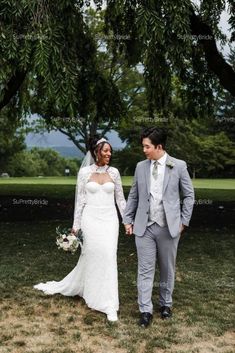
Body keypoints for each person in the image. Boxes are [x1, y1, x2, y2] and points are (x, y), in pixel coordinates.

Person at [34, 137, 126, 322]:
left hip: (109, 220)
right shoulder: (84, 173)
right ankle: (91, 294)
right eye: (105, 151)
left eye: (110, 151)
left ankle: (109, 304)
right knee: (91, 256)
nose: (109, 154)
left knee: (108, 256)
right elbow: (80, 202)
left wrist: (127, 222)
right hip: (90, 220)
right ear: (95, 152)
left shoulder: (114, 173)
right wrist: (75, 227)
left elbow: (121, 200)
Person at [123, 127, 194, 328]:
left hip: (169, 227)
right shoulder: (140, 167)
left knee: (167, 269)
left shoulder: (178, 166)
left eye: (147, 146)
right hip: (144, 227)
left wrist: (183, 221)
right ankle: (145, 310)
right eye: (143, 146)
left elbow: (189, 195)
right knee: (145, 270)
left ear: (159, 147)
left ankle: (165, 305)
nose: (144, 150)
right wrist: (128, 219)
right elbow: (134, 195)